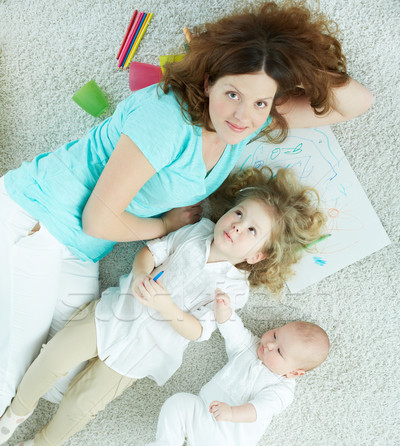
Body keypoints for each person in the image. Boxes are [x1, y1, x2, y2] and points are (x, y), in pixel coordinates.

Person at [0, 0, 372, 414]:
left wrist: (288, 57)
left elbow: (356, 102)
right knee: (13, 373)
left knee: (61, 380)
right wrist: (163, 226)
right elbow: (98, 217)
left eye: (260, 103)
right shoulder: (167, 122)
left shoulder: (249, 122)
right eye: (233, 93)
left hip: (84, 245)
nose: (243, 115)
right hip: (37, 220)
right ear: (210, 80)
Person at [0, 166, 326, 446]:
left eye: (252, 230)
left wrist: (168, 308)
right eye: (239, 214)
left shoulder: (234, 288)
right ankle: (17, 410)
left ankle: (41, 444)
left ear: (256, 255)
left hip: (143, 352)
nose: (238, 226)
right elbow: (149, 251)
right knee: (52, 357)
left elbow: (198, 331)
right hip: (113, 313)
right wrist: (142, 274)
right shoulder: (196, 232)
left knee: (80, 406)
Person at [144, 290, 330, 446]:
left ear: (294, 372)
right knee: (177, 402)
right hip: (202, 413)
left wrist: (232, 413)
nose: (269, 345)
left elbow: (260, 409)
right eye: (274, 335)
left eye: (279, 351)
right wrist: (224, 311)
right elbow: (234, 331)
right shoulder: (248, 347)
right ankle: (167, 444)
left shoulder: (282, 389)